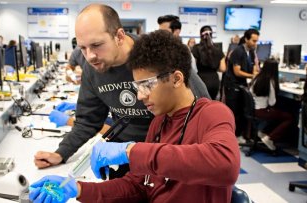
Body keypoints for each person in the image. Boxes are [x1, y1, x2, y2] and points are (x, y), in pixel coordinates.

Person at [29, 30, 240, 203]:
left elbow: (226, 166)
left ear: (176, 79)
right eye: (137, 87)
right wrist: (79, 190)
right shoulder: (158, 122)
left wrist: (131, 151)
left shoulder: (212, 113)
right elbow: (138, 185)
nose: (140, 96)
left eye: (147, 85)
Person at [34, 4, 210, 178]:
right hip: (124, 156)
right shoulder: (92, 68)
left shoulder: (156, 55)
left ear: (119, 36)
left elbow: (202, 111)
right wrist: (61, 153)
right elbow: (88, 120)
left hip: (167, 157)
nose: (90, 56)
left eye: (96, 45)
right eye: (83, 48)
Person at [224, 29, 259, 142]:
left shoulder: (252, 51)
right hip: (233, 86)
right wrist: (252, 76)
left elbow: (253, 66)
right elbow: (237, 72)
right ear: (246, 39)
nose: (255, 43)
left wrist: (255, 73)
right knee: (233, 113)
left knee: (242, 112)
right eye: (253, 41)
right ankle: (230, 138)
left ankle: (239, 135)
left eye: (256, 41)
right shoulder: (238, 51)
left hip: (242, 86)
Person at [250, 59, 293, 150]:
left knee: (278, 112)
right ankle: (270, 138)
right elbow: (272, 102)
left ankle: (261, 131)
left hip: (252, 109)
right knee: (289, 117)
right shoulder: (271, 81)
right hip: (262, 111)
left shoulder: (257, 77)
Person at [192, 25, 226, 100]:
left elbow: (193, 67)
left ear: (200, 35)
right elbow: (223, 68)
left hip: (200, 79)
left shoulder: (195, 48)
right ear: (211, 35)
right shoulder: (218, 49)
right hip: (214, 80)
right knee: (211, 104)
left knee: (200, 104)